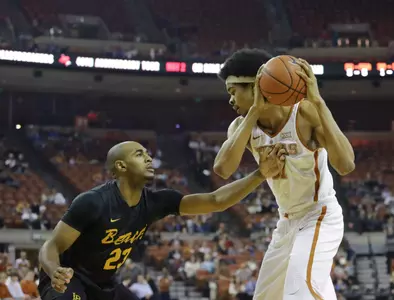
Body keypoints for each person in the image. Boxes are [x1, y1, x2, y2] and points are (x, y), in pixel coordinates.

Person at [38, 141, 286, 300]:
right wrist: (54, 271)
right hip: (69, 281)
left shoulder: (157, 202)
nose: (148, 158)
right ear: (121, 166)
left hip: (105, 286)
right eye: (139, 154)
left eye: (147, 153)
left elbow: (215, 200)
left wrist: (260, 174)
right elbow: (51, 246)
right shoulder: (93, 202)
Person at [214, 49, 355, 300]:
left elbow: (346, 165)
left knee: (299, 291)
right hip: (286, 222)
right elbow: (223, 169)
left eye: (233, 91)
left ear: (257, 85)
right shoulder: (241, 126)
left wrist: (320, 103)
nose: (230, 100)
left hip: (319, 215)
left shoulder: (303, 113)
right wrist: (255, 111)